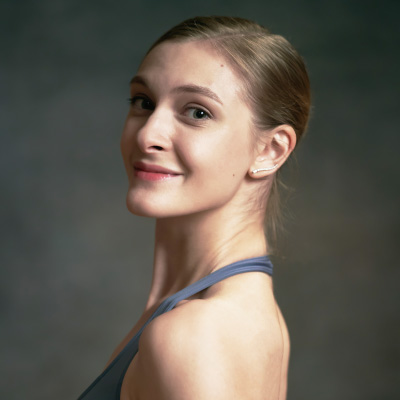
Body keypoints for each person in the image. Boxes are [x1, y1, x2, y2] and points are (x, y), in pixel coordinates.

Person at [77, 16, 310, 400]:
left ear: (270, 150)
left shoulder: (194, 335)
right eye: (144, 102)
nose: (148, 134)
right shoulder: (231, 315)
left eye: (197, 112)